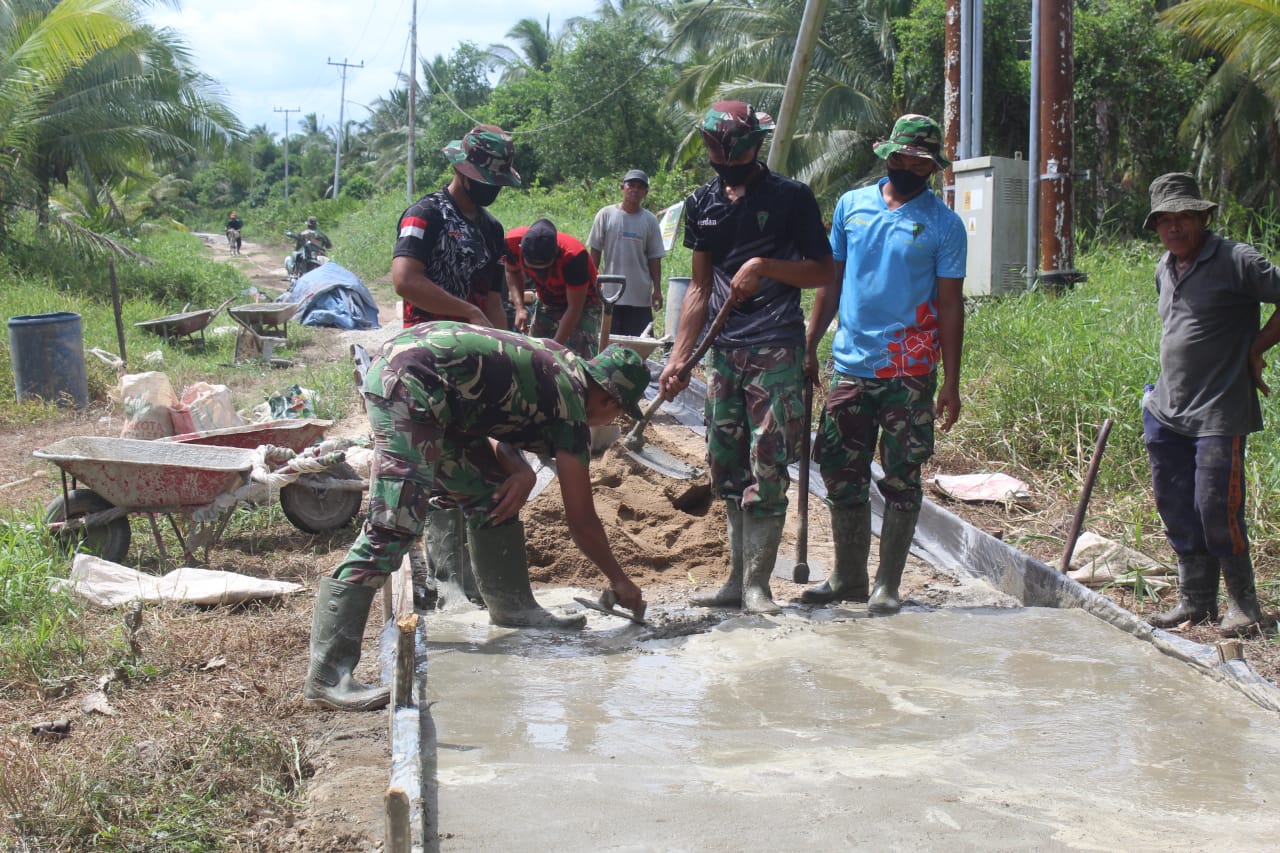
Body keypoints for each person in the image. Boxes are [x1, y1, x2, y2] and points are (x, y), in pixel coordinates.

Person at [304, 324, 651, 711]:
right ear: (609, 398)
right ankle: (328, 677)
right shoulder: (572, 409)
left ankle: (513, 607)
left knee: (491, 493)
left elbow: (500, 415)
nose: (608, 421)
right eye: (618, 411)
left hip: (441, 395)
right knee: (394, 525)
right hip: (411, 386)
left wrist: (521, 471)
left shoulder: (561, 369)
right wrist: (619, 579)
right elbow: (581, 518)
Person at [658, 101, 835, 614]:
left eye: (724, 147)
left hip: (774, 348)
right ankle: (736, 579)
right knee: (725, 465)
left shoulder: (791, 198)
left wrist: (766, 266)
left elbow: (823, 271)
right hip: (725, 355)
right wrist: (679, 356)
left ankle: (759, 584)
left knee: (769, 462)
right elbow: (696, 288)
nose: (716, 155)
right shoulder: (701, 204)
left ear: (750, 145)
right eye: (710, 147)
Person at [798, 113, 966, 616]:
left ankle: (886, 584)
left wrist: (951, 382)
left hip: (910, 374)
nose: (908, 166)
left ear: (932, 168)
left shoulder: (944, 225)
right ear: (886, 156)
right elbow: (831, 280)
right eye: (900, 158)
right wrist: (810, 345)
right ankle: (848, 576)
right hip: (851, 366)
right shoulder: (852, 207)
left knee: (902, 476)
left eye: (919, 161)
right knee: (840, 470)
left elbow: (951, 306)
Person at [1141, 172, 1280, 637]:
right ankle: (1195, 601)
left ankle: (1244, 605)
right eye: (1165, 220)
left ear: (1203, 217)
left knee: (1215, 506)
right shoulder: (1164, 266)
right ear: (1156, 225)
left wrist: (1256, 347)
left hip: (1219, 411)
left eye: (1184, 218)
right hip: (1166, 409)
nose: (1175, 228)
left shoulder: (1236, 260)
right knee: (1175, 504)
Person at [390, 124, 522, 610]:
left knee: (471, 458)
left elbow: (491, 297)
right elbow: (406, 280)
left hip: (471, 360)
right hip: (424, 358)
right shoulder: (426, 214)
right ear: (462, 172)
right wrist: (463, 312)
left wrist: (504, 344)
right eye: (485, 178)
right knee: (435, 463)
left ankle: (479, 587)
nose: (490, 189)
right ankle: (448, 583)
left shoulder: (490, 229)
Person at [505, 219, 602, 358]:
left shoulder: (574, 256)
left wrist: (554, 352)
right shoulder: (512, 242)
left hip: (584, 302)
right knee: (534, 352)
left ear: (556, 254)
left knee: (575, 358)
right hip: (548, 297)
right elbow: (512, 271)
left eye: (544, 270)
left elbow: (574, 308)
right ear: (521, 249)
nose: (539, 274)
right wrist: (520, 308)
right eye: (533, 269)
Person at [587, 169, 666, 337]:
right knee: (608, 343)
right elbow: (595, 251)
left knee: (639, 345)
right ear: (622, 187)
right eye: (631, 185)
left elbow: (654, 258)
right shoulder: (606, 215)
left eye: (640, 187)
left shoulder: (650, 220)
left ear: (645, 192)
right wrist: (591, 283)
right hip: (609, 294)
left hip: (639, 296)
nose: (635, 190)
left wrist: (657, 289)